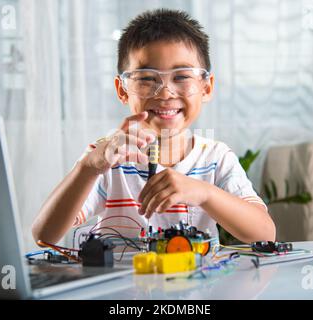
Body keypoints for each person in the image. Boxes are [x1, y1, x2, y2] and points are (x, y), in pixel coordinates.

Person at [32, 8, 276, 247]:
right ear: (122, 90)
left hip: (196, 287)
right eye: (147, 79)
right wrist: (87, 168)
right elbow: (44, 236)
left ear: (206, 87)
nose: (166, 93)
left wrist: (205, 193)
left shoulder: (216, 157)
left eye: (181, 77)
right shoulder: (107, 157)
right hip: (121, 286)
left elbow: (264, 233)